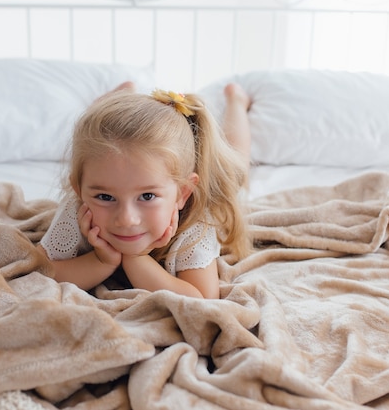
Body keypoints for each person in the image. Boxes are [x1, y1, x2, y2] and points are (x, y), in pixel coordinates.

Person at [37, 82, 253, 299]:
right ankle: (122, 97)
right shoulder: (79, 207)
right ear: (79, 190)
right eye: (105, 197)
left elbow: (203, 299)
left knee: (235, 169)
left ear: (183, 193)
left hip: (213, 184)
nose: (126, 219)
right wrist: (101, 262)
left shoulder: (197, 224)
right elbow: (41, 271)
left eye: (147, 196)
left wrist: (136, 258)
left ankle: (236, 100)